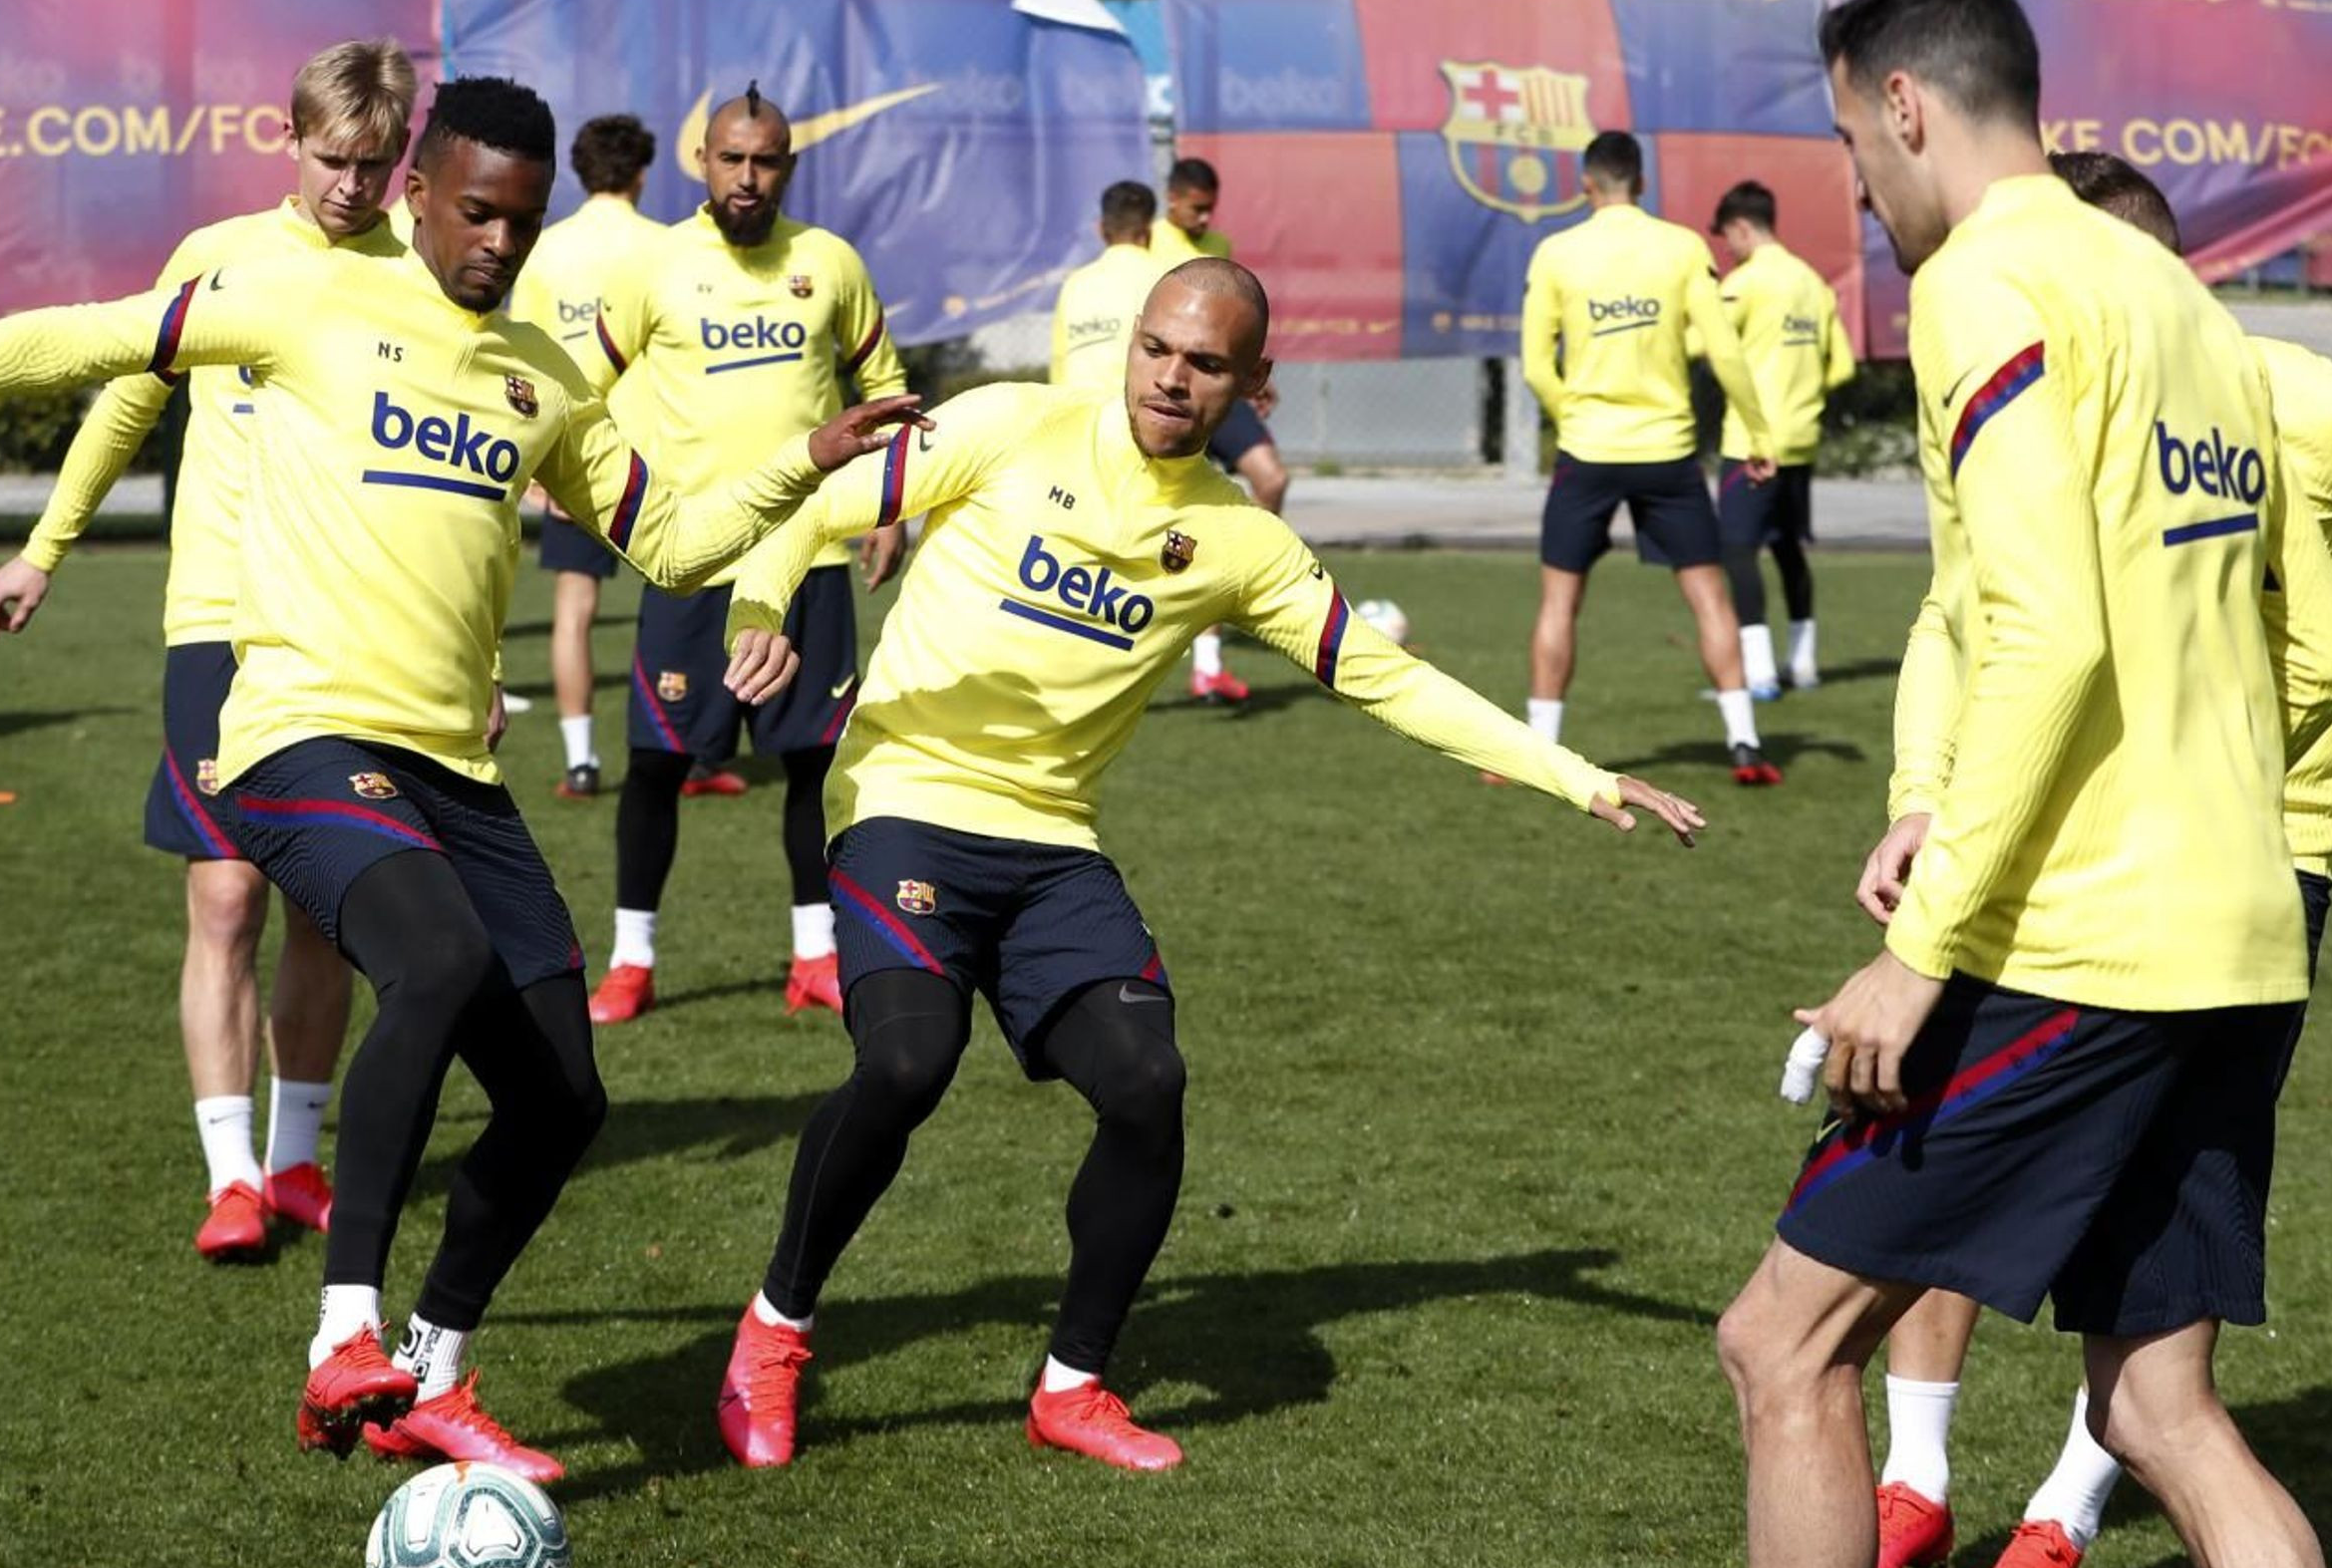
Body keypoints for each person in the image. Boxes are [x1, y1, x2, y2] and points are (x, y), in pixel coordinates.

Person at [0, 77, 921, 1483]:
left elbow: (665, 540)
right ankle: (340, 1336)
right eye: (476, 209)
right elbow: (85, 342)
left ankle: (429, 1365)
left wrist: (808, 458)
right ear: (419, 191)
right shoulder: (299, 299)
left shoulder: (542, 372)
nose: (496, 239)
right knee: (428, 960)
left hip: (455, 771)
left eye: (522, 219)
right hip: (299, 734)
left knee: (563, 1100)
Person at [1717, 0, 2332, 1568]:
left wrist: (1920, 957)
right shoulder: (2178, 299)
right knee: (2155, 1406)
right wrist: (1941, 801)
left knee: (1782, 1344)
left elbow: (2050, 630)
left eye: (1853, 140)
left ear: (1907, 104)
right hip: (2245, 929)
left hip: (2082, 940)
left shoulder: (1989, 277)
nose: (1855, 182)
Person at [705, 257, 1704, 1477]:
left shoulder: (1238, 538)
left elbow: (1384, 677)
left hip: (1053, 841)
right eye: (1160, 349)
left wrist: (1578, 774)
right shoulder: (1009, 423)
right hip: (903, 803)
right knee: (908, 1059)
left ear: (1253, 384)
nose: (1174, 378)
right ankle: (773, 1330)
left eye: (1207, 363)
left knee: (1145, 1082)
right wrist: (758, 606)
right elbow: (815, 507)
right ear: (1132, 343)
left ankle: (1072, 1381)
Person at [1858, 149, 2332, 1568]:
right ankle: (1916, 1475)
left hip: (2262, 872)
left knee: (2155, 1230)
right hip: (2049, 844)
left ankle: (2062, 1518)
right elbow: (1964, 614)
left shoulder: (2320, 401)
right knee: (1932, 1153)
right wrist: (1919, 800)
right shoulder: (2051, 396)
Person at [0, 40, 419, 1263]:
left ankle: (295, 1157)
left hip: (355, 630)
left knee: (328, 910)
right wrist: (42, 550)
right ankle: (230, 1176)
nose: (351, 185)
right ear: (289, 140)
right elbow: (124, 396)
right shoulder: (218, 260)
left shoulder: (418, 276)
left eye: (376, 163)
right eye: (333, 158)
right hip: (220, 619)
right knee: (226, 894)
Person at [583, 83, 908, 1026]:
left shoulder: (830, 264)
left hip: (809, 562)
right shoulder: (657, 267)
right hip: (689, 561)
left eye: (766, 161)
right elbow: (583, 386)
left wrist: (887, 507)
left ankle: (815, 956)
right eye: (733, 159)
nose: (748, 177)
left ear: (789, 168)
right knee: (656, 764)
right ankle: (632, 960)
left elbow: (881, 383)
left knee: (811, 764)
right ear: (704, 162)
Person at [1519, 130, 1781, 785]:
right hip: (1669, 453)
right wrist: (1758, 434)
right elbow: (1724, 351)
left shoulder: (1557, 252)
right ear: (1641, 183)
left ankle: (1540, 751)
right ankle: (1745, 743)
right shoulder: (1682, 247)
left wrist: (1569, 413)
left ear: (1586, 185)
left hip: (1588, 449)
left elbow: (1532, 366)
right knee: (1709, 599)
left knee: (1559, 603)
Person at [510, 113, 670, 802]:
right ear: (642, 172)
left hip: (573, 455)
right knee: (676, 606)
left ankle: (582, 760)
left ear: (579, 174)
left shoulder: (545, 251)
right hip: (660, 457)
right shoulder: (669, 248)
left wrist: (534, 463)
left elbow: (524, 359)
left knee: (574, 609)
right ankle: (682, 747)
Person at [1704, 181, 1854, 701]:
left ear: (1742, 227)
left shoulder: (1745, 283)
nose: (1729, 249)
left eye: (1728, 239)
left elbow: (1703, 342)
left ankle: (1760, 674)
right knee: (1788, 548)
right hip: (1801, 439)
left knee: (1738, 552)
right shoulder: (1813, 283)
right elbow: (1843, 366)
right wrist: (1802, 387)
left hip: (1751, 441)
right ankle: (1805, 663)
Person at [1150, 155, 1289, 701]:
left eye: (1212, 209)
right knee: (1184, 521)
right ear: (1173, 199)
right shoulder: (1150, 249)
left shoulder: (1219, 249)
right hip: (1171, 397)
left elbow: (1234, 323)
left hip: (1221, 394)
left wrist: (1253, 373)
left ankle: (1236, 582)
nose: (1205, 219)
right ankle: (1205, 657)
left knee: (1271, 479)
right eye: (1197, 208)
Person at [1049, 179, 1166, 395]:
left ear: (1101, 229)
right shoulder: (1165, 280)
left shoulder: (1075, 284)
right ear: (1149, 230)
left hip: (1074, 415)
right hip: (1138, 415)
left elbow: (1059, 365)